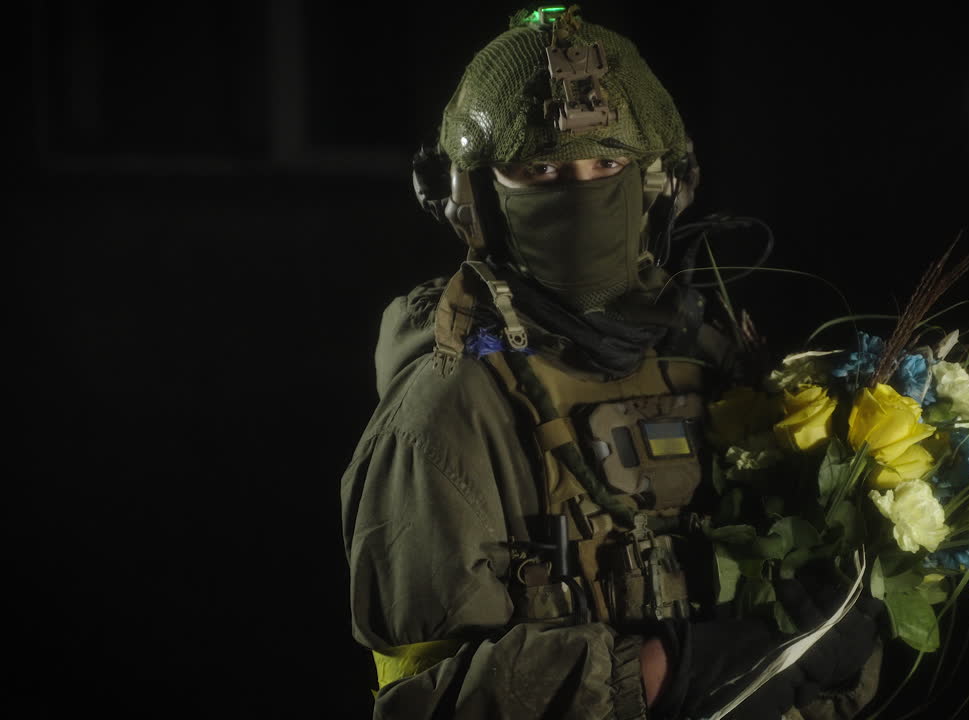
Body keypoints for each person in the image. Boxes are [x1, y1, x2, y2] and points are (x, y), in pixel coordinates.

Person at [341, 7, 884, 718]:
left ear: (658, 183)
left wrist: (830, 651)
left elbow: (825, 662)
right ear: (475, 200)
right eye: (539, 168)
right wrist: (671, 670)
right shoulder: (448, 415)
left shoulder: (717, 370)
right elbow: (426, 704)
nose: (580, 189)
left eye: (607, 164)